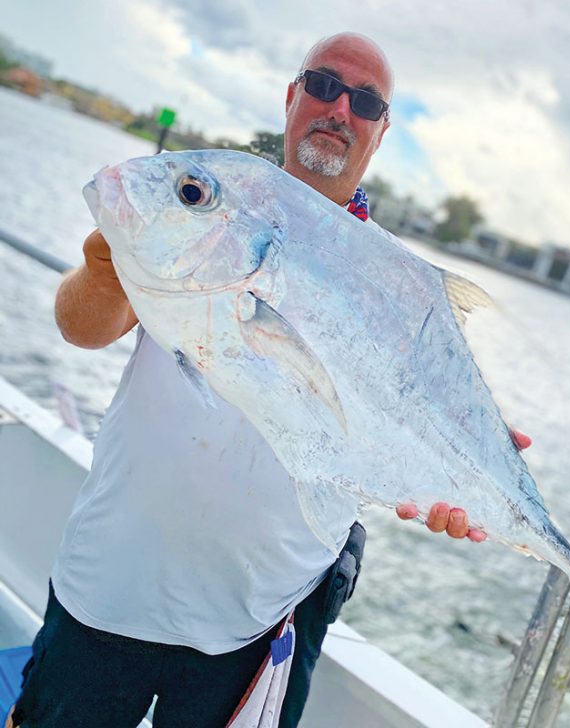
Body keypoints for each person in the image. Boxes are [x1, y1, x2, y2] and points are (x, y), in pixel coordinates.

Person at [7, 32, 530, 728]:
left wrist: (454, 477)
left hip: (258, 625)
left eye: (365, 101)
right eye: (323, 85)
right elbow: (82, 328)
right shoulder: (210, 206)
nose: (340, 107)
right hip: (108, 588)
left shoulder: (399, 286)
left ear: (379, 133)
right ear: (291, 98)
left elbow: (413, 426)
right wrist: (109, 264)